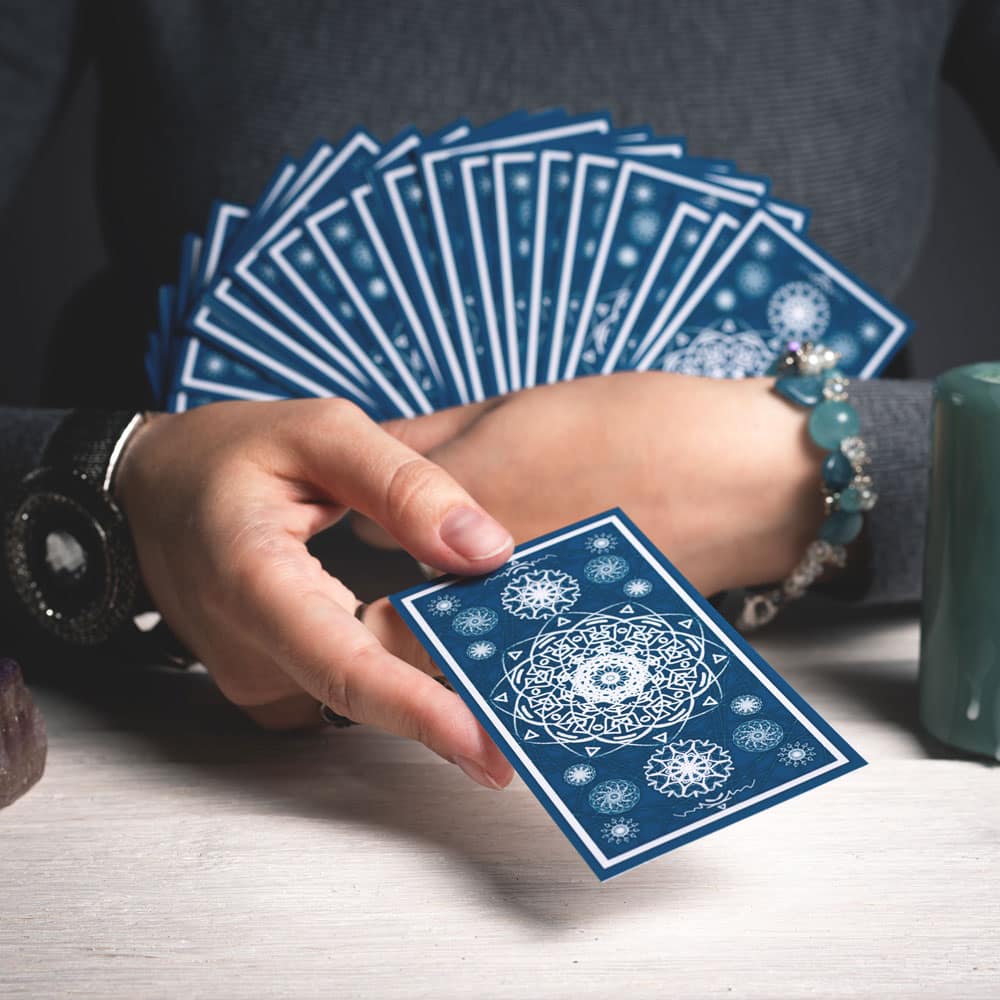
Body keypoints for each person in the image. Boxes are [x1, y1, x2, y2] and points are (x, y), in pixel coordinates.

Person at [1, 1, 996, 790]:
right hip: (151, 748)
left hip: (854, 736)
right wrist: (119, 490)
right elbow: (97, 493)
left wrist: (817, 469)